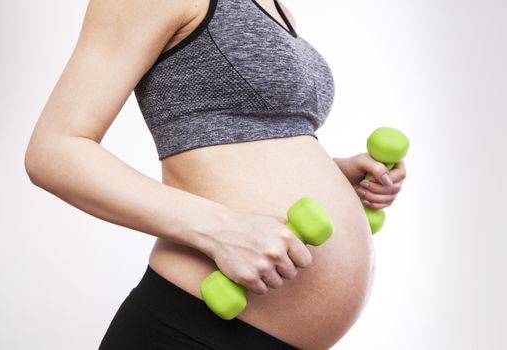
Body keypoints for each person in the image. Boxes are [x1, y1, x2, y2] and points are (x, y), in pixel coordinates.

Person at [24, 0, 407, 349]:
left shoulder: (276, 7)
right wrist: (222, 229)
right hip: (192, 330)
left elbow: (242, 141)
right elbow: (55, 151)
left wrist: (333, 180)